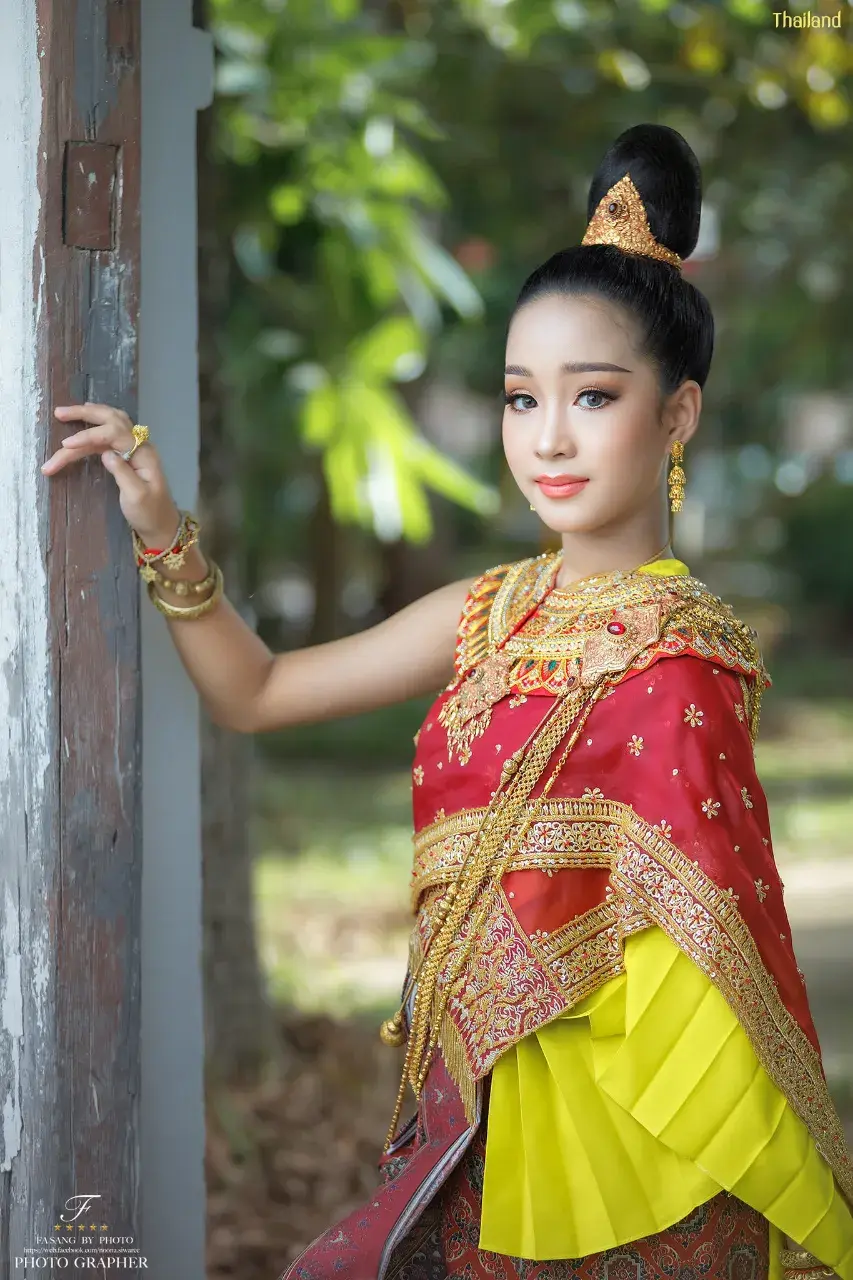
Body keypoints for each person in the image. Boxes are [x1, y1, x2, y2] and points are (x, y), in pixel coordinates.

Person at [41, 123, 853, 1280]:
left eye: (595, 396)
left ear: (676, 416)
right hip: (465, 1111)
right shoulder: (487, 608)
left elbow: (718, 948)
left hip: (629, 1142)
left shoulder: (681, 659)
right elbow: (258, 690)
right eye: (523, 398)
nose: (550, 437)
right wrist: (162, 530)